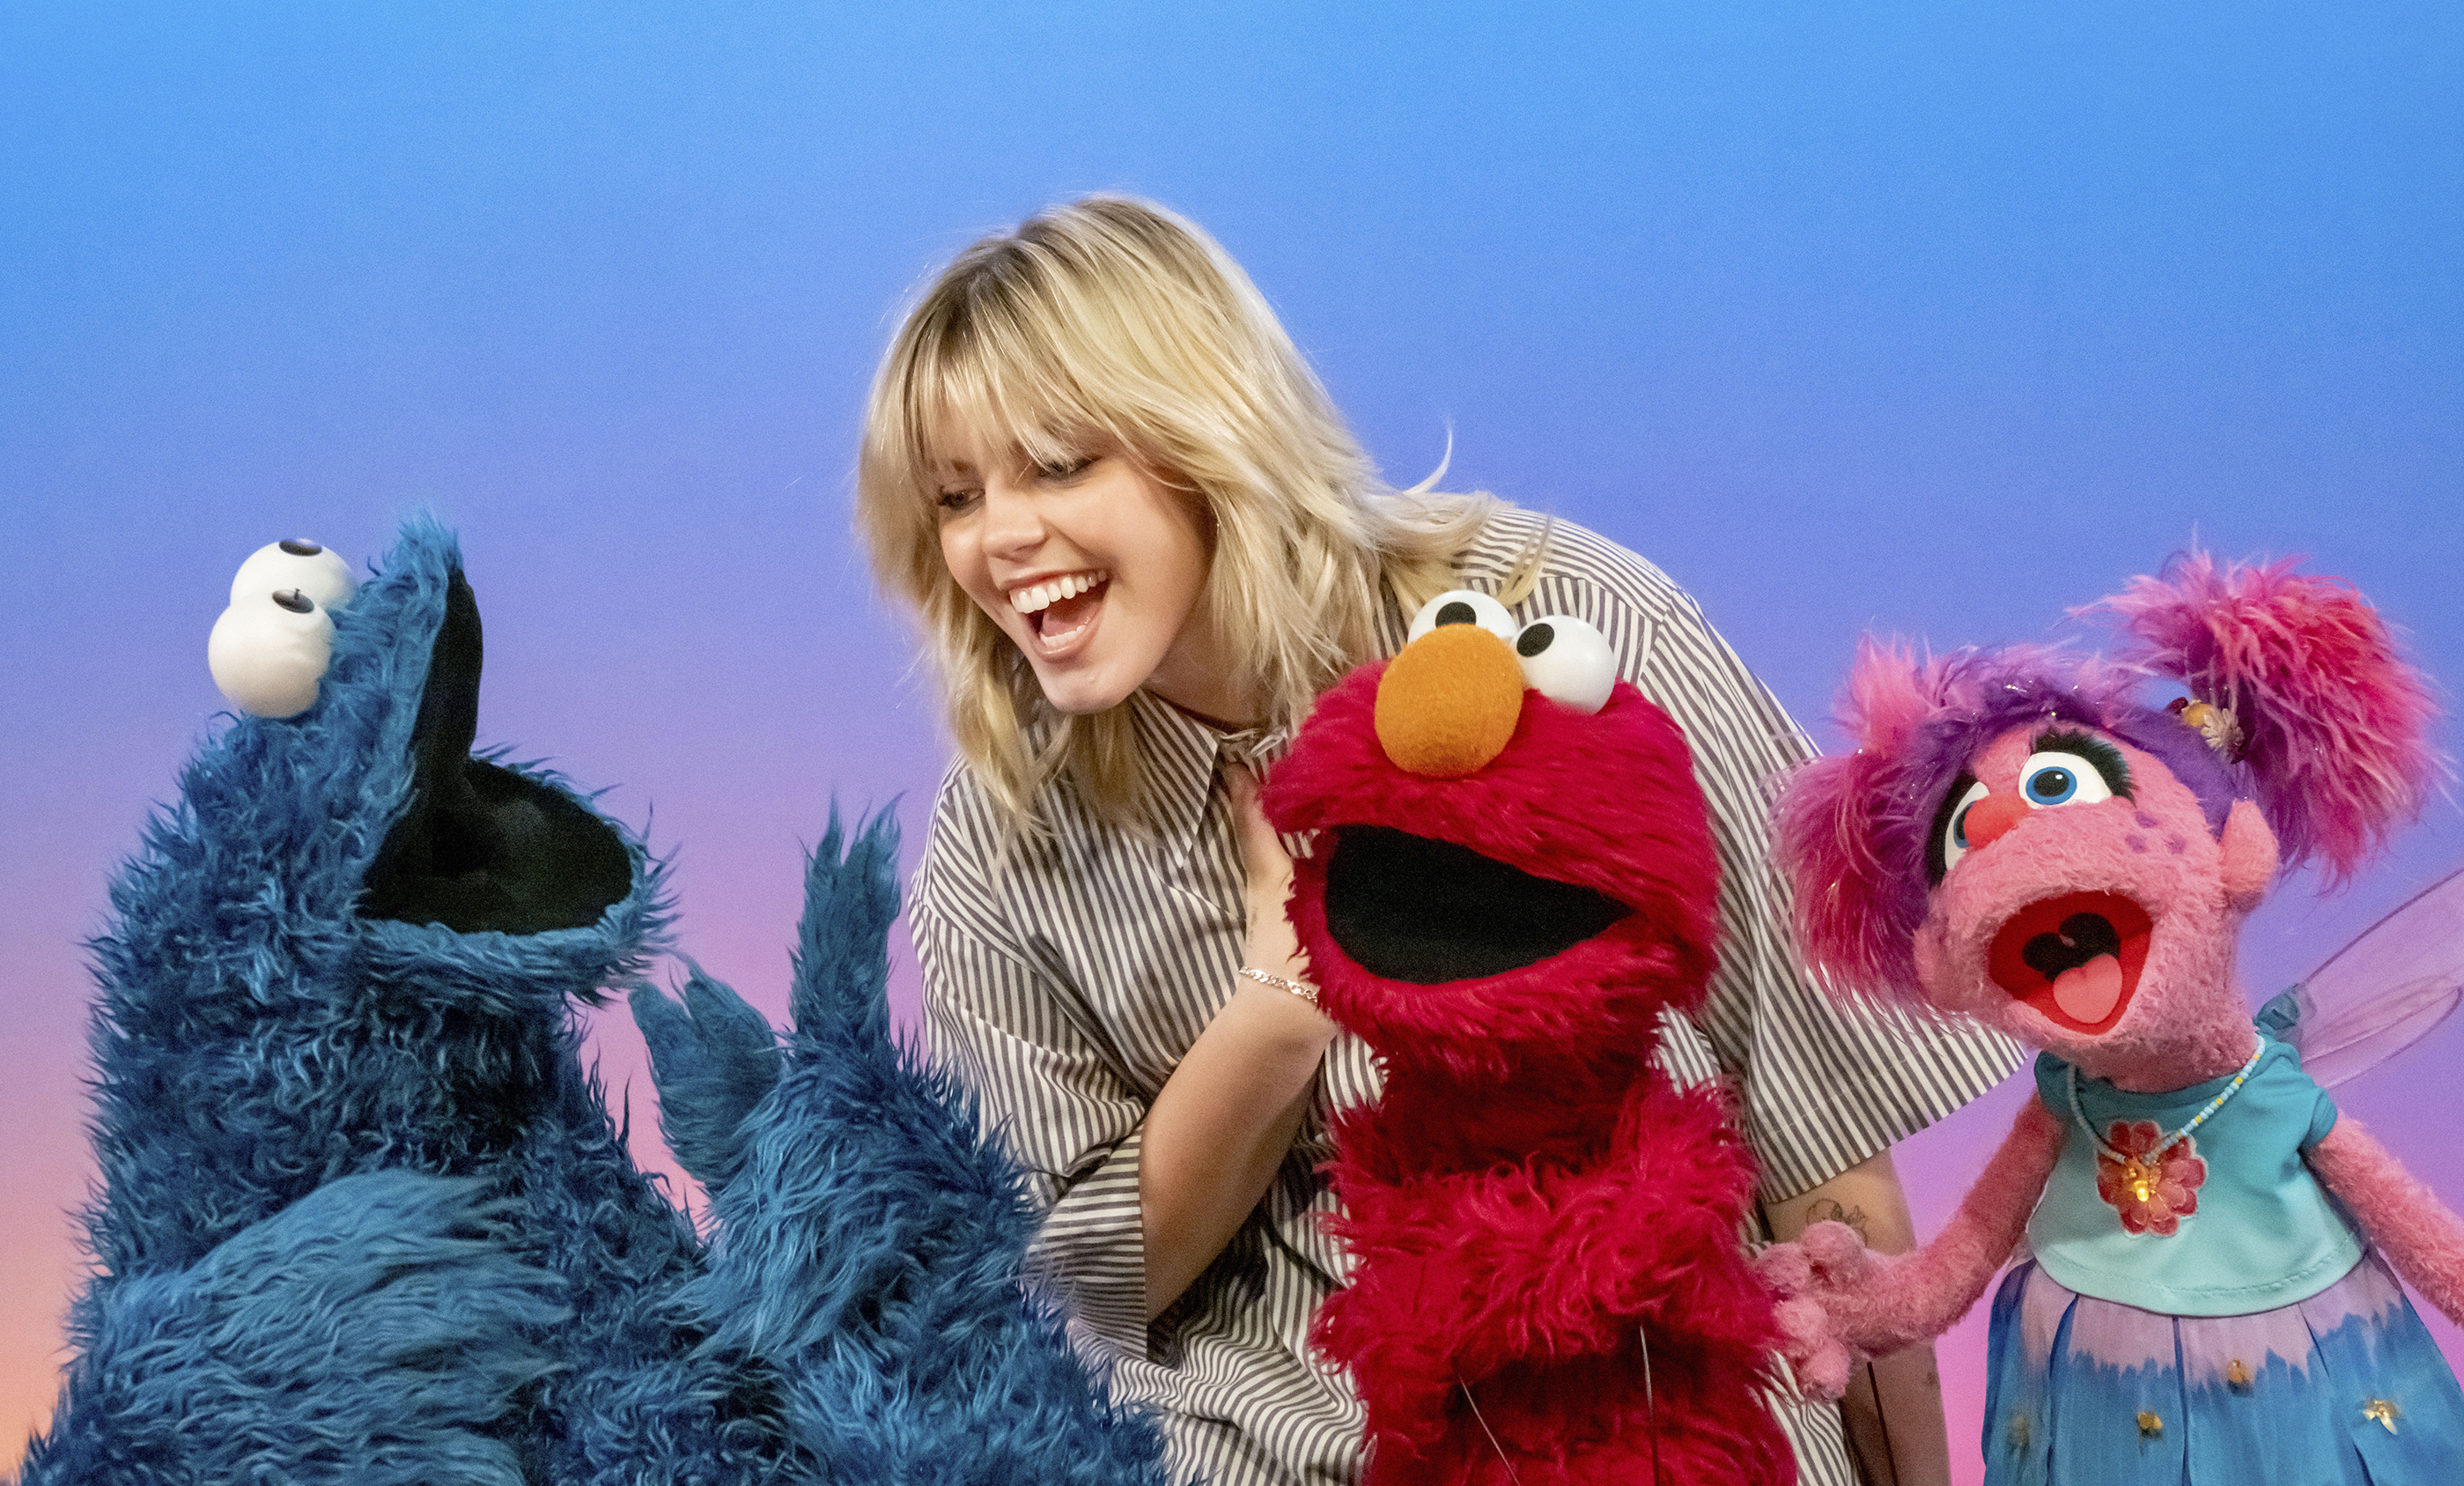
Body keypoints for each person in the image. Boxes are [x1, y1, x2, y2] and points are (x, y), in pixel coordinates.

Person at [854, 194, 2020, 1486]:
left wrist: (1913, 1475)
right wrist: (1275, 1009)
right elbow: (1064, 1294)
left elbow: (1817, 1127)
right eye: (956, 497)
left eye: (1060, 465)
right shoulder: (1000, 840)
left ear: (1209, 435)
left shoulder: (1569, 623)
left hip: (1648, 1405)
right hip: (1263, 1444)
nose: (999, 539)